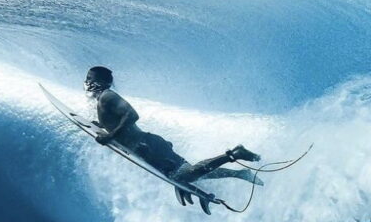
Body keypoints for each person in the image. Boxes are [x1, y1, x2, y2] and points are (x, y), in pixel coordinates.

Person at [84, 66, 263, 185]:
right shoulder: (102, 99)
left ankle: (234, 154)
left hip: (148, 147)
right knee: (191, 173)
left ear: (99, 81)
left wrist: (111, 136)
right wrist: (102, 125)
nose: (87, 82)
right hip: (148, 145)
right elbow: (117, 119)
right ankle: (240, 174)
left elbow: (132, 115)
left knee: (184, 176)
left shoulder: (107, 96)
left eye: (89, 78)